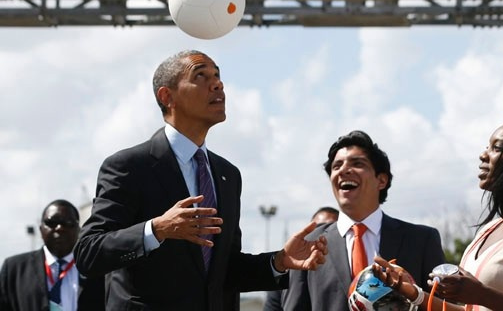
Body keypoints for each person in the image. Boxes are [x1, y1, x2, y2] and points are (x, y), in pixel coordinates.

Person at [73, 50, 327, 311]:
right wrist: (157, 229)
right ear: (167, 96)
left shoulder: (228, 174)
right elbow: (88, 253)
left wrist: (279, 261)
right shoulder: (129, 167)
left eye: (217, 75)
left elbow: (225, 270)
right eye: (201, 76)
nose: (218, 84)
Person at [372, 115, 503, 311]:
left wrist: (483, 295)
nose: (483, 155)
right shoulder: (489, 230)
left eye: (497, 148)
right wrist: (412, 293)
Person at [282, 130, 446, 310]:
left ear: (381, 180)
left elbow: (440, 306)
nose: (344, 170)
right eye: (337, 166)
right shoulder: (309, 244)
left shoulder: (421, 240)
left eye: (357, 163)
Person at [0, 199, 104, 311]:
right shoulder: (14, 269)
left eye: (67, 223)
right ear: (41, 229)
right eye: (51, 223)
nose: (59, 228)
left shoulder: (97, 270)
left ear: (78, 230)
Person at [263, 206, 339, 311]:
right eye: (317, 229)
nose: (322, 236)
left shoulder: (346, 271)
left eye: (330, 229)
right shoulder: (286, 273)